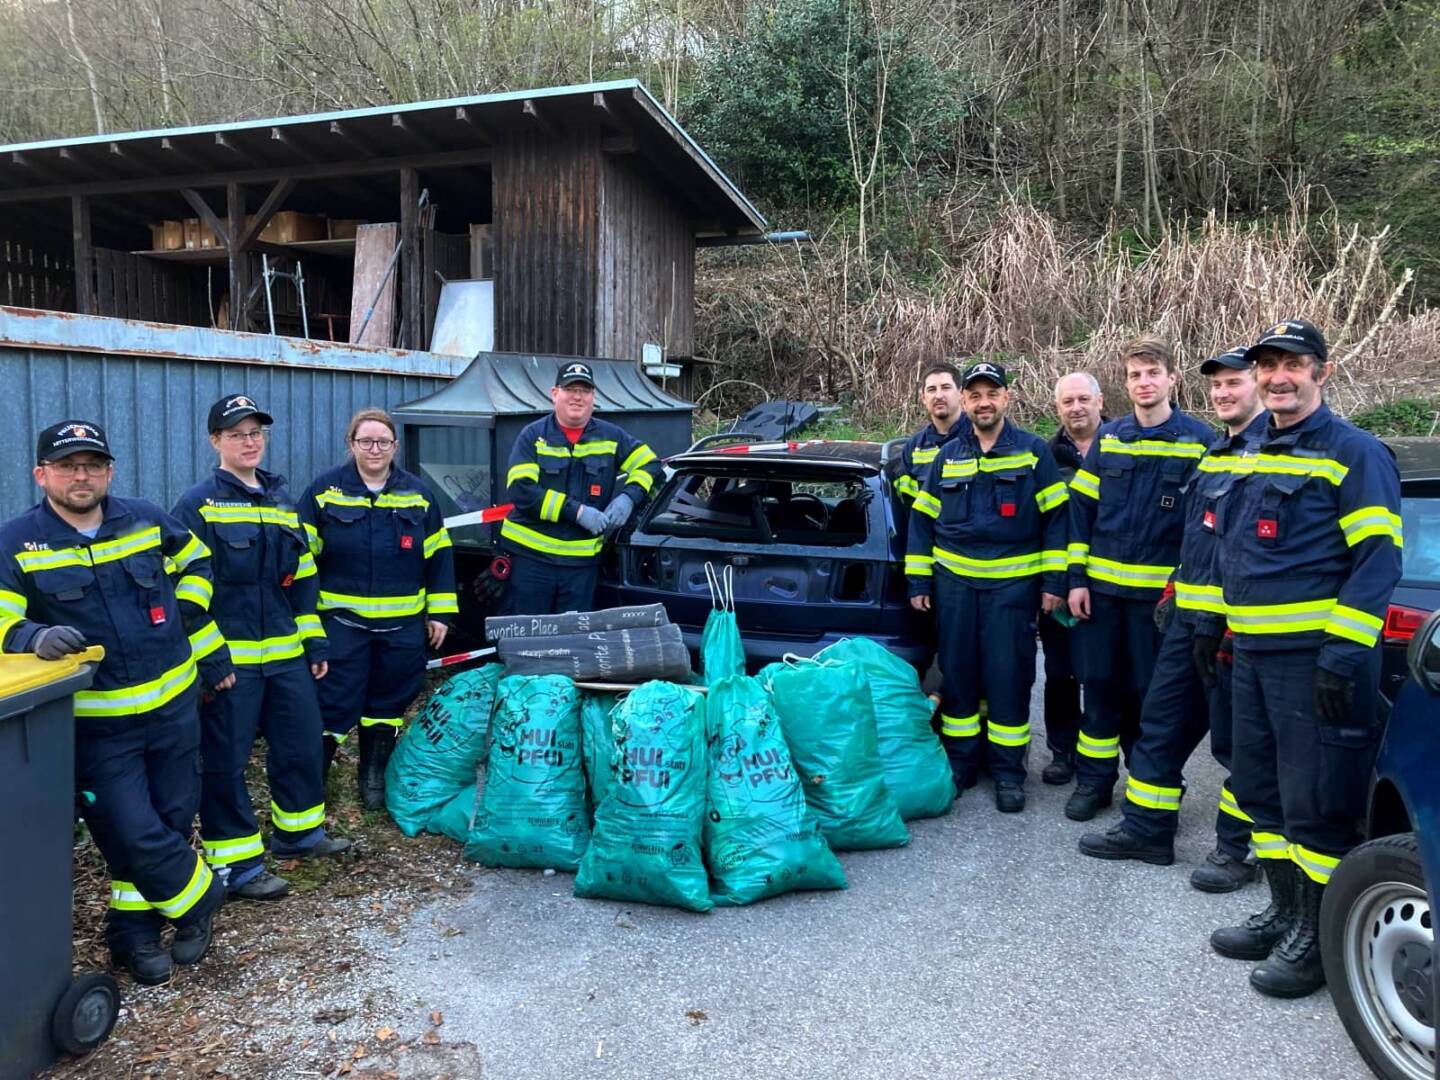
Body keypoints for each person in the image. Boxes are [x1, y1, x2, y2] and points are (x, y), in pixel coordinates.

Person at [1207, 319, 1402, 998]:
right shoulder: (1254, 444)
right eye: (1268, 365)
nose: (1278, 376)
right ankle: (1285, 912)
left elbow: (1379, 559)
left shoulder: (1355, 452)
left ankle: (1319, 938)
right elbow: (1240, 551)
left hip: (1315, 664)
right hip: (1253, 656)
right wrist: (1222, 633)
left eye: (1293, 364)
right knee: (1261, 792)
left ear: (1323, 369)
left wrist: (1344, 652)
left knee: (1315, 805)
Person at [0, 421, 229, 985]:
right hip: (97, 725)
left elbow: (198, 562)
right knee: (129, 828)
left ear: (110, 472)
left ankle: (135, 935)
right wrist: (29, 635)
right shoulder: (15, 541)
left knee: (171, 820)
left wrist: (187, 613)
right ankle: (201, 900)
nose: (81, 476)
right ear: (41, 475)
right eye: (68, 466)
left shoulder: (146, 518)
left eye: (93, 465)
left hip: (174, 707)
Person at [1078, 348, 1267, 892]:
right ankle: (1147, 830)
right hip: (1186, 615)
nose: (1225, 393)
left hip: (1237, 628)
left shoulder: (1258, 453)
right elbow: (1197, 537)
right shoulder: (1220, 455)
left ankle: (1239, 850)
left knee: (1238, 743)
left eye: (1236, 383)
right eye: (1219, 386)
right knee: (1158, 725)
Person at [173, 395, 353, 902]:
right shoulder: (197, 505)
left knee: (299, 744)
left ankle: (299, 833)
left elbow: (300, 580)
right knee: (225, 761)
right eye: (237, 434)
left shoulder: (279, 500)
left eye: (256, 433)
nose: (249, 442)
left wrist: (314, 640)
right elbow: (183, 589)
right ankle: (237, 865)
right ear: (215, 442)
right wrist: (210, 658)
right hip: (231, 662)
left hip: (286, 656)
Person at [906, 361, 1068, 812]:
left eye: (990, 394)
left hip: (1012, 593)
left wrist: (1054, 582)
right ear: (966, 400)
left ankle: (1008, 773)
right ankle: (961, 764)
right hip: (955, 588)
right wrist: (919, 578)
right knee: (958, 677)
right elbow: (922, 522)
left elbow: (1058, 522)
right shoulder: (948, 456)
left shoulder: (1034, 453)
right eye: (974, 395)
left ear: (1006, 399)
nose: (983, 402)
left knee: (1008, 680)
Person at [1065, 336, 1215, 822]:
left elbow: (1208, 528)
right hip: (1103, 597)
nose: (1144, 382)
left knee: (1155, 698)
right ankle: (1094, 783)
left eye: (1153, 372)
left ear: (1172, 378)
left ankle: (1149, 784)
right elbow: (1080, 513)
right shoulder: (1110, 440)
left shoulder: (1200, 442)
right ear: (1125, 384)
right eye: (1135, 375)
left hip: (1160, 604)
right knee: (1101, 691)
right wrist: (1076, 578)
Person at [301, 408, 458, 810]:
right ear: (350, 444)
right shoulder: (323, 493)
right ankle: (314, 787)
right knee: (333, 703)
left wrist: (439, 614)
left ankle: (372, 781)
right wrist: (305, 623)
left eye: (383, 441)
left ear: (395, 446)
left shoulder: (419, 495)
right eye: (366, 441)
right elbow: (302, 563)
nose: (375, 449)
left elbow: (439, 556)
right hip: (341, 624)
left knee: (387, 705)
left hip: (401, 628)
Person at [498, 360, 663, 616]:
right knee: (527, 639)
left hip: (581, 566)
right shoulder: (533, 436)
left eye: (584, 391)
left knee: (573, 643)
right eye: (570, 389)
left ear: (593, 397)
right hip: (530, 560)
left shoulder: (611, 436)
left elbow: (651, 464)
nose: (577, 397)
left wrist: (628, 498)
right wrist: (576, 511)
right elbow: (521, 491)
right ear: (555, 394)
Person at [1039, 372, 1105, 785]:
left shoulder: (1123, 446)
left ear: (1100, 401)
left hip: (1109, 582)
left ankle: (1104, 754)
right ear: (1058, 408)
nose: (1076, 407)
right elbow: (1041, 524)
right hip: (1060, 588)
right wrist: (1053, 585)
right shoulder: (1046, 456)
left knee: (1102, 674)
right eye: (1068, 402)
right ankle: (1062, 751)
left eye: (1083, 398)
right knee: (1060, 673)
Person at [895, 362, 968, 505]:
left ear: (961, 394)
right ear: (923, 398)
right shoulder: (914, 448)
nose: (938, 396)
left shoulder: (980, 438)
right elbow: (908, 505)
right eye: (932, 389)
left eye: (946, 388)